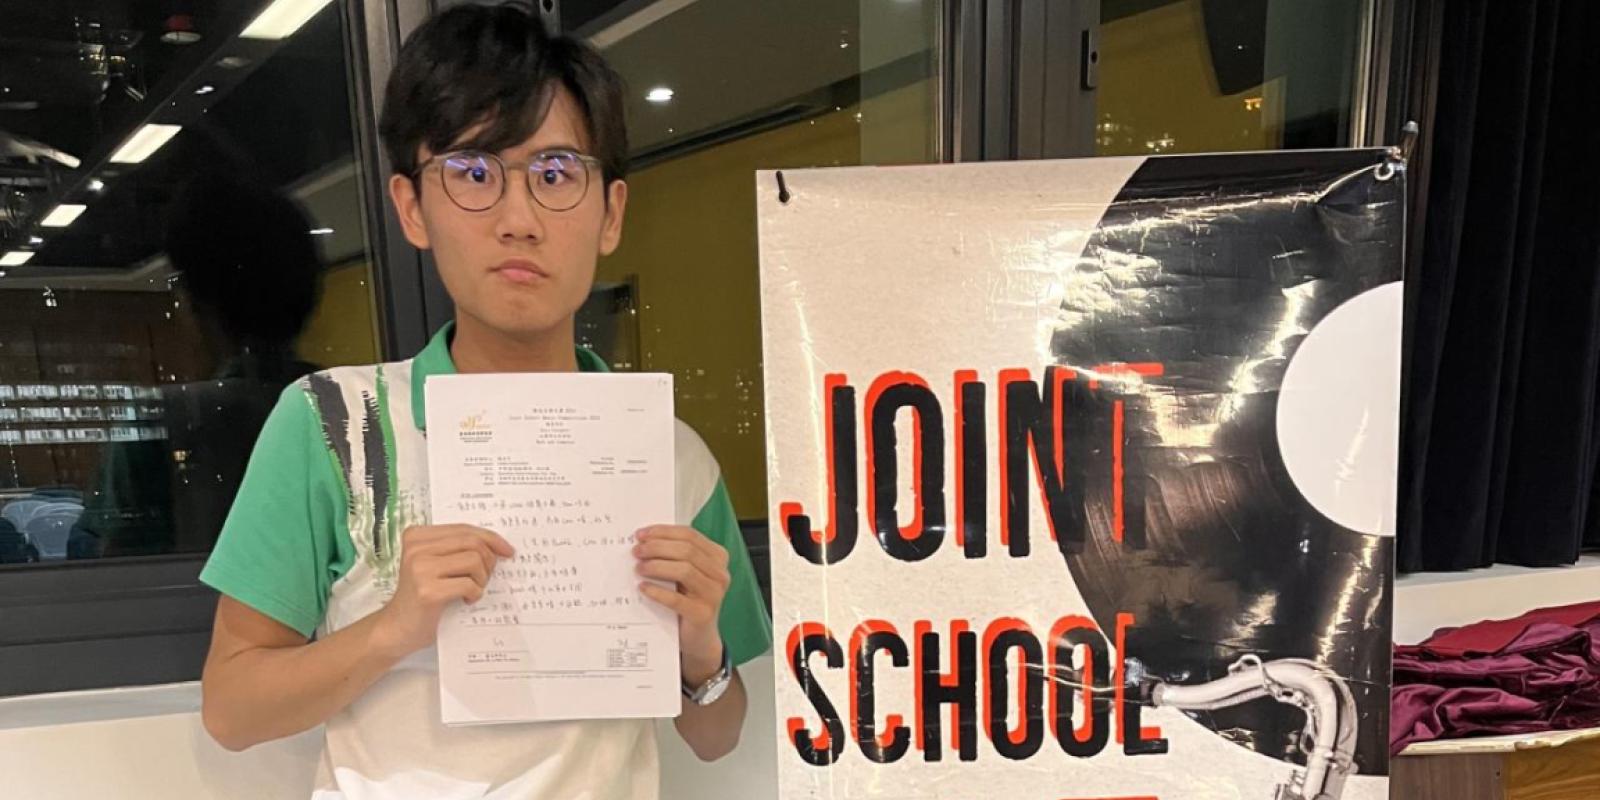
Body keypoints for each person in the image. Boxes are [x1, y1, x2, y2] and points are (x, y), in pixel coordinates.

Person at [195, 4, 772, 798]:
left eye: (556, 174)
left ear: (610, 213)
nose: (518, 220)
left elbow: (717, 736)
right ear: (411, 207)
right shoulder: (335, 424)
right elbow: (231, 710)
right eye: (473, 174)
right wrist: (395, 629)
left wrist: (700, 647)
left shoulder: (669, 455)